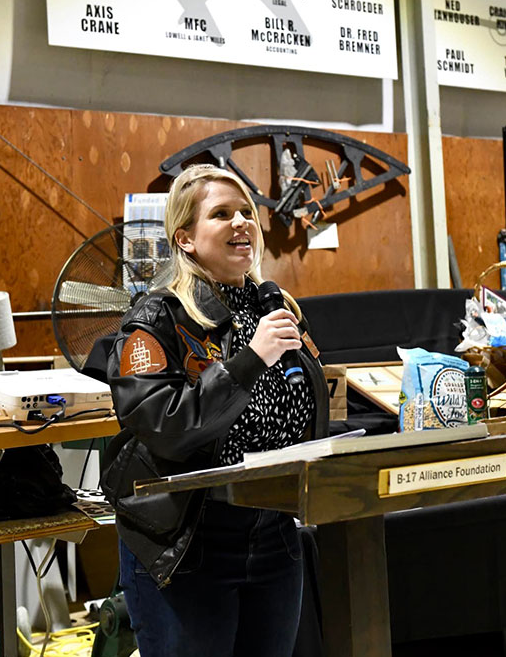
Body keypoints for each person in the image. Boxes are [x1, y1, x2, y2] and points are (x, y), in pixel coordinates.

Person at [101, 164, 329, 657]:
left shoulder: (275, 305)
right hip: (189, 543)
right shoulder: (156, 316)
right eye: (221, 214)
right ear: (185, 238)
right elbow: (163, 425)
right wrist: (249, 362)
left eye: (246, 211)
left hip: (274, 533)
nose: (241, 222)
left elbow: (312, 405)